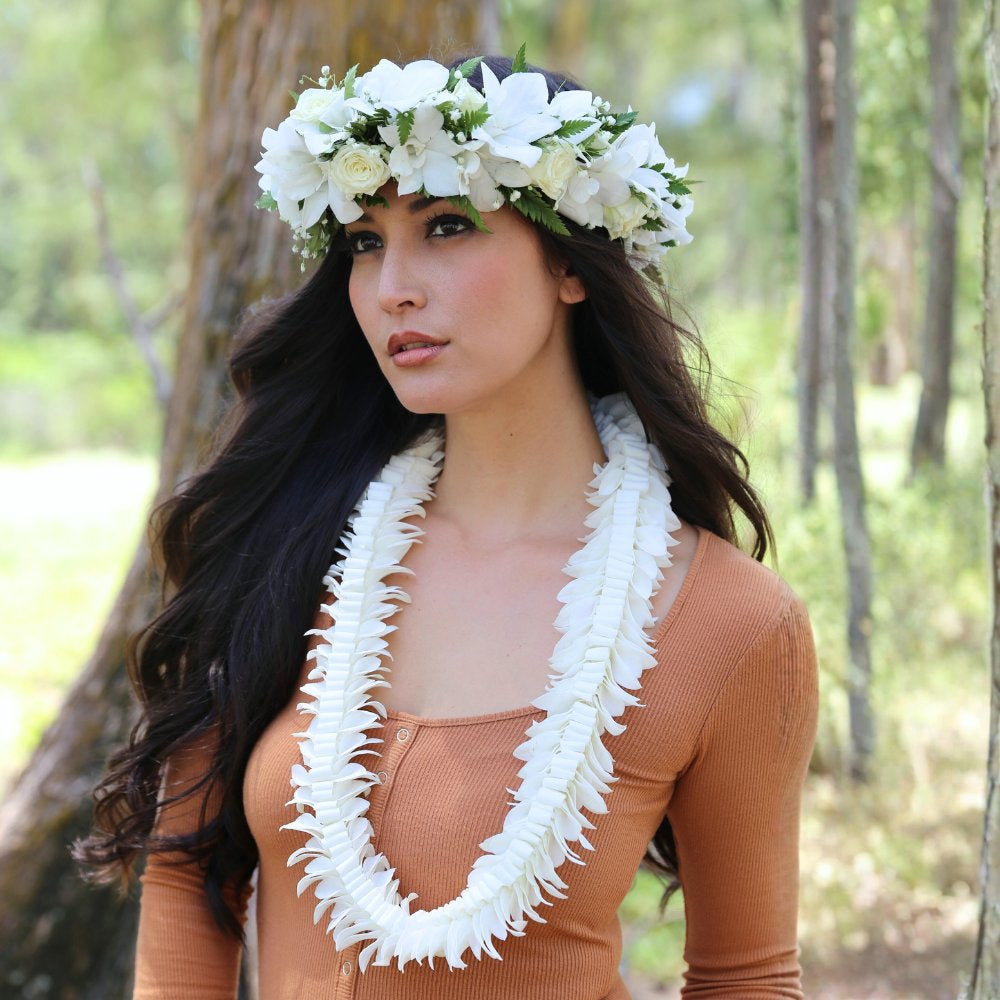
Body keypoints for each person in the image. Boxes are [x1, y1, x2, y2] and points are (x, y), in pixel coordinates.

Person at [77, 51, 818, 999]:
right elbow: (190, 868)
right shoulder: (289, 541)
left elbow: (746, 979)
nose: (393, 286)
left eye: (447, 226)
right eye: (364, 241)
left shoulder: (730, 623)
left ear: (571, 263)